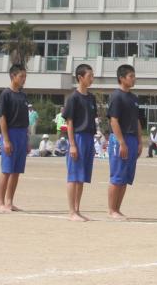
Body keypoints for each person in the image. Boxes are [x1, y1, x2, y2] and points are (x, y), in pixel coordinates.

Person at [106, 63, 142, 221]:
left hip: (133, 138)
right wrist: (121, 142)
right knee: (117, 176)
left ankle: (118, 209)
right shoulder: (116, 96)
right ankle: (111, 209)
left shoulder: (134, 98)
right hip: (120, 139)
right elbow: (114, 120)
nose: (134, 79)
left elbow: (137, 121)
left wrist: (140, 141)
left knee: (126, 177)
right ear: (122, 78)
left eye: (134, 76)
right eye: (131, 76)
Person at [62, 63, 97, 221]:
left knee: (81, 177)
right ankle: (71, 212)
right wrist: (73, 145)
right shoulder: (73, 98)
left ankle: (77, 209)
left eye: (92, 76)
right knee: (73, 176)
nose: (92, 79)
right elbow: (69, 123)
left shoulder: (91, 98)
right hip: (78, 137)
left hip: (89, 137)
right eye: (89, 76)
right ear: (80, 78)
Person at [0, 63, 30, 213]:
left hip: (22, 134)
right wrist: (6, 139)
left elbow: (25, 118)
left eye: (25, 76)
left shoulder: (23, 95)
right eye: (21, 76)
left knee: (16, 171)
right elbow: (2, 117)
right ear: (13, 76)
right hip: (10, 133)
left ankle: (10, 201)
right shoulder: (5, 94)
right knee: (7, 170)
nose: (24, 79)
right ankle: (0, 202)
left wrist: (27, 139)